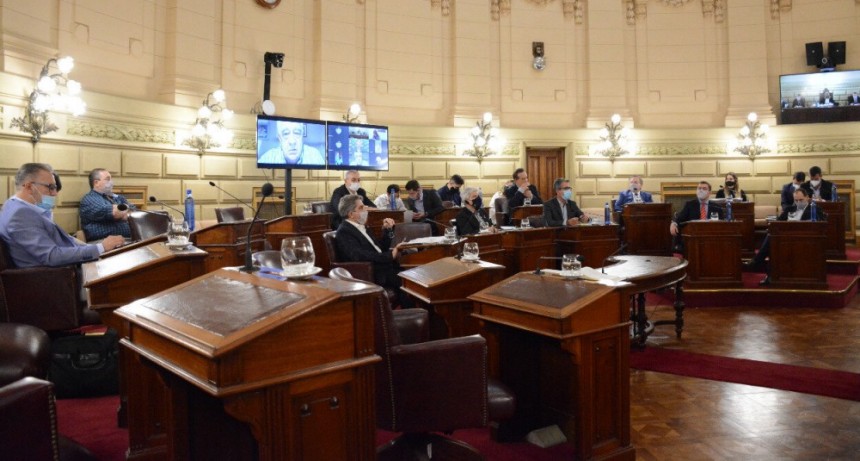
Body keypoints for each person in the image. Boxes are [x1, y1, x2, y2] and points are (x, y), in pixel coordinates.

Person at [0, 163, 125, 268]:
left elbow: (65, 241)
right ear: (28, 187)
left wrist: (97, 248)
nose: (54, 193)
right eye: (51, 187)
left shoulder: (19, 207)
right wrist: (100, 248)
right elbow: (51, 256)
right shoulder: (20, 214)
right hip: (54, 278)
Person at [745, 188, 825, 285]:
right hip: (785, 238)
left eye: (801, 200)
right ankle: (770, 276)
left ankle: (757, 262)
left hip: (804, 239)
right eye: (796, 200)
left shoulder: (815, 209)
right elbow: (777, 223)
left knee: (771, 239)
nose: (798, 202)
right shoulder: (789, 209)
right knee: (772, 236)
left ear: (807, 198)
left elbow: (821, 223)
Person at [334, 194, 406, 299]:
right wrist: (390, 255)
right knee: (408, 281)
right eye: (361, 208)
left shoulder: (363, 226)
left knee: (411, 275)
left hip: (385, 267)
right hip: (373, 272)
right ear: (351, 214)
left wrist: (388, 230)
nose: (365, 210)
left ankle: (413, 311)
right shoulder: (344, 231)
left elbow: (380, 249)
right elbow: (360, 255)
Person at [79, 168, 134, 241]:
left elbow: (133, 211)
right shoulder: (90, 199)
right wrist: (125, 211)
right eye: (107, 179)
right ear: (96, 183)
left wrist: (123, 211)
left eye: (111, 179)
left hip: (126, 240)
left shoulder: (117, 198)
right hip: (102, 242)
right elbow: (114, 213)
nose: (111, 182)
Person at [257, 120, 325, 166]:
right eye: (286, 134)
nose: (292, 141)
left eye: (297, 133)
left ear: (302, 136)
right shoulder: (268, 158)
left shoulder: (315, 156)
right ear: (280, 138)